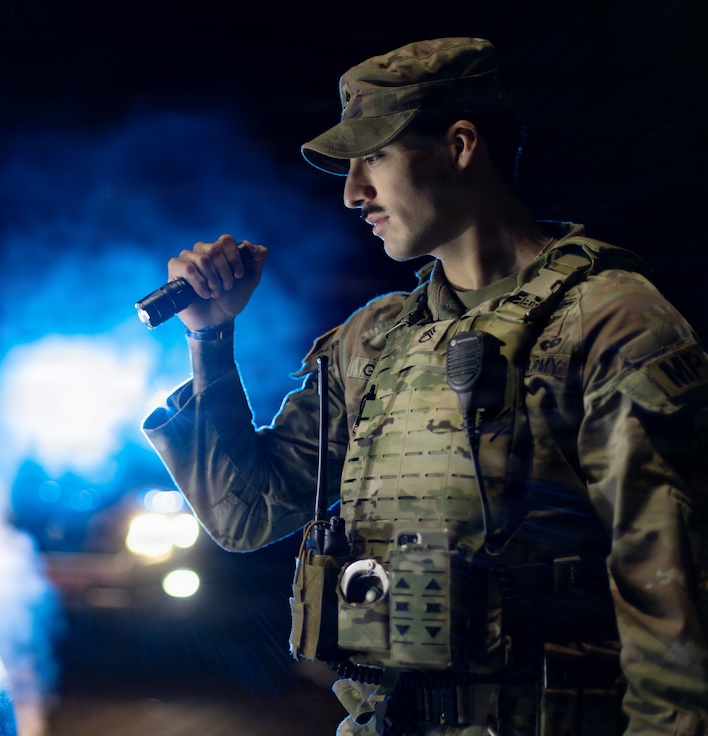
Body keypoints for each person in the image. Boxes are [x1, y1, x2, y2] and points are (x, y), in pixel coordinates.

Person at [141, 37, 708, 736]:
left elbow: (676, 611)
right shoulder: (375, 339)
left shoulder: (611, 323)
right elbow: (245, 512)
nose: (353, 193)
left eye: (374, 156)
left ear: (461, 144)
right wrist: (210, 338)